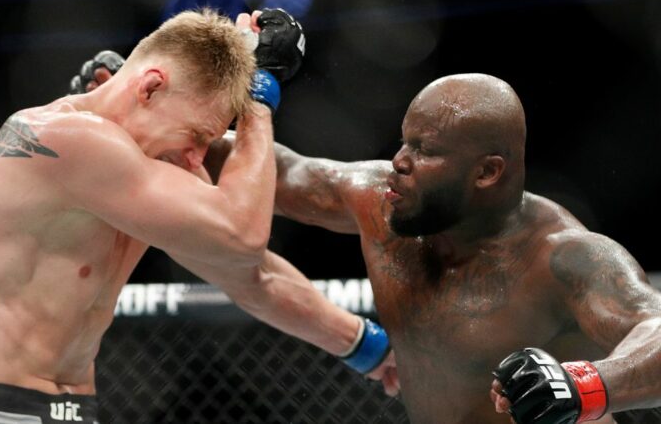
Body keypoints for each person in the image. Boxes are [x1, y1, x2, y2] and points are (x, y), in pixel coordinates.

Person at [0, 8, 395, 424]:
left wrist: (368, 347)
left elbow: (251, 274)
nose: (195, 159)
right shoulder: (65, 138)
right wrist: (259, 98)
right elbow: (242, 232)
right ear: (149, 88)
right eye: (196, 136)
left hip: (71, 411)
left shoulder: (132, 176)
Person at [201, 73, 661, 423]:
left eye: (426, 149)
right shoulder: (379, 202)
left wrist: (584, 385)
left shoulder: (562, 257)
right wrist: (147, 111)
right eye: (404, 140)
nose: (400, 160)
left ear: (486, 172)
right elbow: (281, 172)